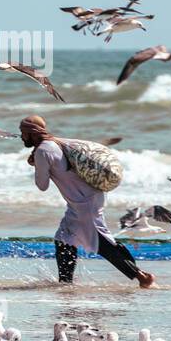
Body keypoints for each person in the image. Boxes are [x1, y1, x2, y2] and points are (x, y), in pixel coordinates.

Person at [20, 114, 154, 288]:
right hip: (88, 198)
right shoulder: (56, 143)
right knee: (64, 238)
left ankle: (142, 276)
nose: (22, 137)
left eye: (23, 133)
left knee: (102, 243)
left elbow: (42, 185)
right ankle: (65, 282)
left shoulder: (42, 151)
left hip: (84, 203)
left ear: (31, 133)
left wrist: (36, 164)